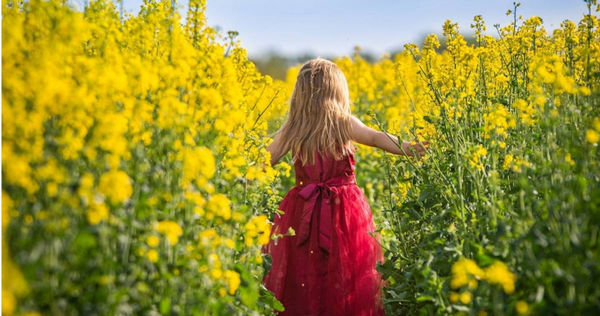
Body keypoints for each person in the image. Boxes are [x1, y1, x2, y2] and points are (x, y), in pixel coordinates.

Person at [261, 57, 428, 316]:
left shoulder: (294, 126)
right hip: (345, 210)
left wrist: (240, 170)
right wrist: (406, 148)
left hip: (302, 210)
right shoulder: (343, 121)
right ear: (337, 90)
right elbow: (375, 137)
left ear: (300, 93)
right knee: (346, 272)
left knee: (305, 271)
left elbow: (264, 160)